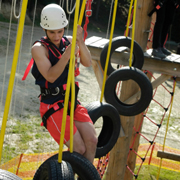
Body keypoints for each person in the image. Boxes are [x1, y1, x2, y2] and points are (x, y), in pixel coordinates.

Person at [31, 3, 98, 164]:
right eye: (52, 32)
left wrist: (80, 41)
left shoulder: (68, 41)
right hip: (51, 104)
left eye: (60, 31)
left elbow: (88, 63)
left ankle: (85, 176)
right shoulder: (39, 48)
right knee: (79, 149)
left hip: (71, 100)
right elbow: (50, 76)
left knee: (92, 141)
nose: (56, 36)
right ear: (44, 30)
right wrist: (68, 54)